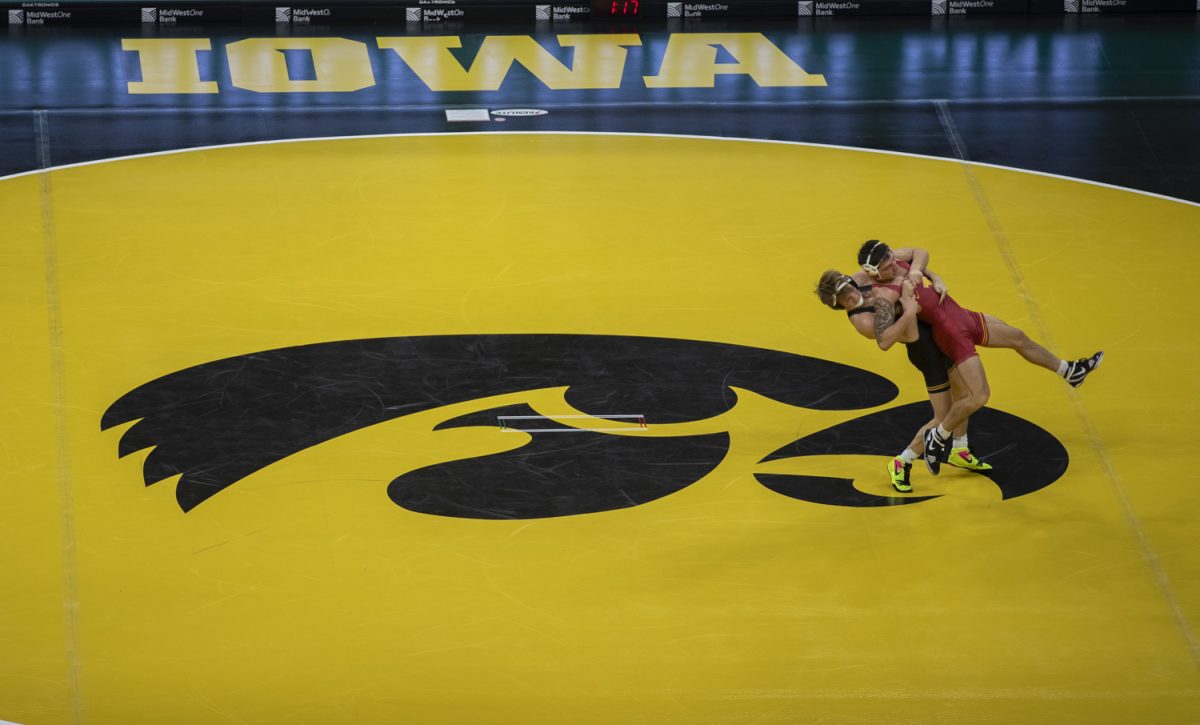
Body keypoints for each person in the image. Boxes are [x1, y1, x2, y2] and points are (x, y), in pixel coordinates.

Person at [855, 240, 1103, 474]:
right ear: (874, 273)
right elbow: (884, 339)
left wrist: (925, 273)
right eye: (886, 267)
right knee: (978, 396)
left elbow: (920, 252)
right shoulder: (885, 295)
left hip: (961, 316)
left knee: (1018, 337)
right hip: (951, 333)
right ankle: (937, 437)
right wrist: (908, 308)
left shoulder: (894, 260)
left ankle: (1069, 371)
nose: (892, 266)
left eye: (891, 259)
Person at [814, 268, 990, 494]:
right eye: (844, 299)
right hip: (926, 351)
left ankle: (960, 449)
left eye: (848, 289)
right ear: (839, 306)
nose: (851, 295)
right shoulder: (863, 320)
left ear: (849, 280)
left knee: (964, 395)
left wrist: (935, 277)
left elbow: (910, 258)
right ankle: (902, 461)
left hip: (940, 331)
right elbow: (889, 341)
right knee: (943, 416)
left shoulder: (862, 278)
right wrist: (909, 311)